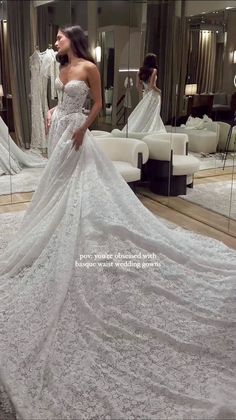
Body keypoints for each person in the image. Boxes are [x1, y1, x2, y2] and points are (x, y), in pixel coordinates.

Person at [0, 25, 236, 420]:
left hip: (76, 135)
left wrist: (82, 127)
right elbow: (66, 101)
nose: (55, 42)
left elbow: (96, 105)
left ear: (72, 39)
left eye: (59, 37)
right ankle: (53, 226)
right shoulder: (61, 69)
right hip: (59, 131)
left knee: (81, 193)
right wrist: (54, 110)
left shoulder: (89, 66)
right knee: (54, 186)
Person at [121, 53, 166, 133]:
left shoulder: (140, 71)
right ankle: (151, 130)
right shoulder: (154, 70)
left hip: (145, 94)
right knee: (153, 113)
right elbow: (152, 85)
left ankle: (143, 129)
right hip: (154, 95)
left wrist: (142, 94)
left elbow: (137, 86)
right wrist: (159, 91)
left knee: (144, 113)